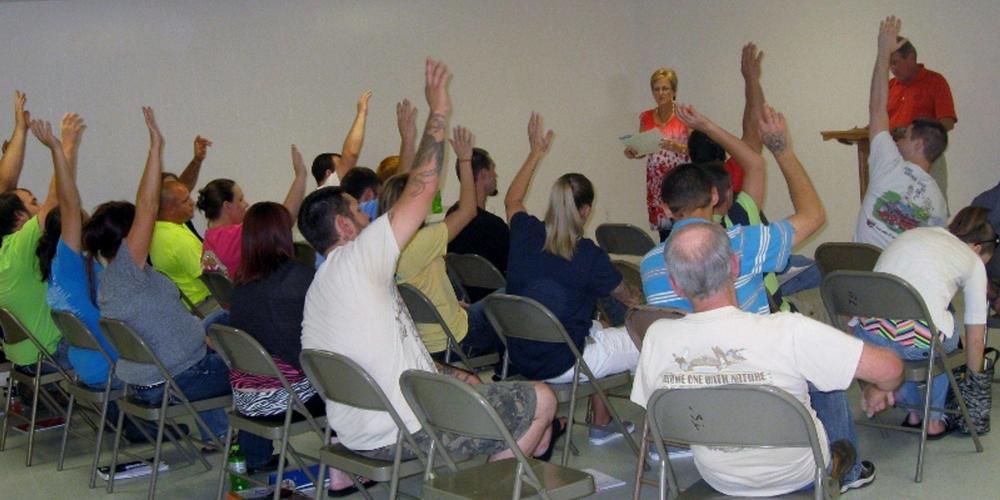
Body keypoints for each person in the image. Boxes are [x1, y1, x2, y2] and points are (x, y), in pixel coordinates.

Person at [299, 59, 557, 463]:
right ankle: (493, 486)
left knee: (509, 414)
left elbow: (389, 356)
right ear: (343, 227)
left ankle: (506, 470)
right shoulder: (361, 258)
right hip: (407, 431)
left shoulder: (320, 286)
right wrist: (437, 113)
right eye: (358, 210)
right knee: (542, 400)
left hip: (359, 433)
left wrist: (450, 373)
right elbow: (419, 188)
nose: (368, 215)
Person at [631, 221, 903, 496]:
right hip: (800, 474)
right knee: (822, 377)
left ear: (676, 286)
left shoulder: (656, 337)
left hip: (720, 477)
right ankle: (843, 472)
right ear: (735, 266)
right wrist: (879, 389)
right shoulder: (788, 329)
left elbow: (656, 412)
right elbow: (890, 368)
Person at [91, 107, 229, 445]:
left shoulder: (111, 276)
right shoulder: (128, 270)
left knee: (218, 327)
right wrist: (155, 148)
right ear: (128, 236)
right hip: (175, 379)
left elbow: (165, 200)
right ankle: (251, 452)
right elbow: (150, 205)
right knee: (263, 367)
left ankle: (219, 436)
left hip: (158, 373)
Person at [505, 112, 640, 445]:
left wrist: (535, 153)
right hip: (563, 361)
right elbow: (629, 300)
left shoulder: (525, 232)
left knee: (601, 330)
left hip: (521, 356)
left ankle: (602, 423)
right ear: (586, 210)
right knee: (647, 340)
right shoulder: (588, 254)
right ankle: (672, 434)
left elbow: (512, 199)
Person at [641, 105, 825, 315]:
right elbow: (813, 215)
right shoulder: (742, 244)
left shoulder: (649, 265)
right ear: (715, 195)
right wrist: (783, 150)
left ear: (665, 209)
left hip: (690, 348)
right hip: (752, 345)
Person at [854, 206, 992, 437]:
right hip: (917, 340)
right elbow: (977, 340)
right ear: (977, 248)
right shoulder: (973, 261)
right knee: (942, 332)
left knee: (916, 324)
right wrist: (975, 386)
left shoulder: (914, 234)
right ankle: (933, 421)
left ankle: (914, 413)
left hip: (869, 332)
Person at [378, 126, 501, 359]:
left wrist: (408, 139)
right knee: (513, 296)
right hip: (458, 340)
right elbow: (468, 210)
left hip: (424, 341)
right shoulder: (421, 242)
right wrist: (465, 160)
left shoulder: (382, 243)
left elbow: (397, 189)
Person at [226, 201, 330, 474]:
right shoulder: (301, 279)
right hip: (282, 399)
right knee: (345, 380)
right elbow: (307, 353)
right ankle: (353, 457)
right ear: (284, 234)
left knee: (268, 367)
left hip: (245, 397)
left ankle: (257, 458)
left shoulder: (240, 283)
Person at [32, 113, 121, 388]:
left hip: (87, 364)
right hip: (109, 366)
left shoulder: (63, 267)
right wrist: (60, 148)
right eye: (84, 222)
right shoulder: (69, 263)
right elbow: (68, 203)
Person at [856, 16, 948, 249]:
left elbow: (876, 108)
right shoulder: (938, 205)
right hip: (897, 283)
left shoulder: (888, 165)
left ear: (918, 144)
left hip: (864, 275)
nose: (897, 141)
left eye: (905, 136)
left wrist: (882, 53)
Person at [0, 91, 68, 371]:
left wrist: (19, 130)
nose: (38, 205)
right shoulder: (20, 247)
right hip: (45, 355)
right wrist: (60, 149)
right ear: (19, 218)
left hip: (20, 355)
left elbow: (5, 183)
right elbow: (53, 202)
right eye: (32, 202)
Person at [197, 145, 307, 279]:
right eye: (240, 199)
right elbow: (283, 220)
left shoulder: (210, 238)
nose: (246, 204)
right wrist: (300, 176)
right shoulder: (235, 236)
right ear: (227, 206)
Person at [623, 68, 691, 241]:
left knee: (683, 233)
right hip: (656, 182)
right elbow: (643, 148)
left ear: (674, 91)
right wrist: (633, 151)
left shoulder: (685, 115)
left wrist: (676, 146)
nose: (660, 93)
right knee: (665, 236)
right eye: (656, 89)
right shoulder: (646, 117)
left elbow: (696, 149)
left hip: (680, 182)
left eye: (665, 88)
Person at [888, 36, 956, 198]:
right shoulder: (890, 86)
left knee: (930, 206)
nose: (892, 68)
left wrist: (916, 134)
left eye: (895, 62)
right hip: (894, 158)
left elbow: (947, 122)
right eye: (889, 64)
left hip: (926, 157)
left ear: (911, 58)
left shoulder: (935, 81)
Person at [446, 145, 509, 284]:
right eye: (493, 170)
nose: (496, 175)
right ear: (483, 175)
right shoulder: (495, 227)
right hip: (493, 301)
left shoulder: (451, 218)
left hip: (463, 298)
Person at [310, 90, 372, 187]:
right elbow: (351, 154)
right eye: (341, 167)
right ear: (329, 174)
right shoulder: (330, 188)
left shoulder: (316, 199)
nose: (348, 170)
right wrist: (361, 113)